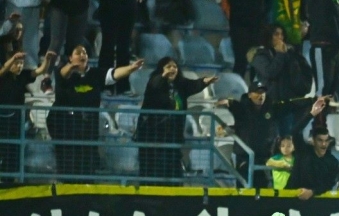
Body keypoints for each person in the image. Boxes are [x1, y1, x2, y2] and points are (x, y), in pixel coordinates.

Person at [48, 44, 143, 177]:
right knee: (68, 168)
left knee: (87, 168)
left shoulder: (95, 74)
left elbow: (114, 74)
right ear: (70, 58)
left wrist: (131, 68)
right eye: (78, 53)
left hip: (88, 130)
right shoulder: (64, 74)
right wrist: (71, 67)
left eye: (84, 53)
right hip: (67, 131)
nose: (82, 55)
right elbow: (62, 74)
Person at [135, 57, 218, 181]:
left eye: (175, 66)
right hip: (153, 136)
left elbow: (193, 85)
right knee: (153, 171)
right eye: (168, 67)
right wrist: (163, 76)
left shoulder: (181, 85)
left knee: (172, 169)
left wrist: (205, 81)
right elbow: (154, 85)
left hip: (173, 136)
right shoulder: (154, 82)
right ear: (161, 69)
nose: (172, 69)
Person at [0, 50, 54, 180]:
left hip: (16, 119)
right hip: (2, 120)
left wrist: (47, 60)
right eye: (17, 63)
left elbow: (40, 71)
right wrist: (13, 59)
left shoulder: (23, 76)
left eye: (21, 63)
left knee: (15, 149)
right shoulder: (4, 76)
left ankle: (12, 177)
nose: (19, 66)